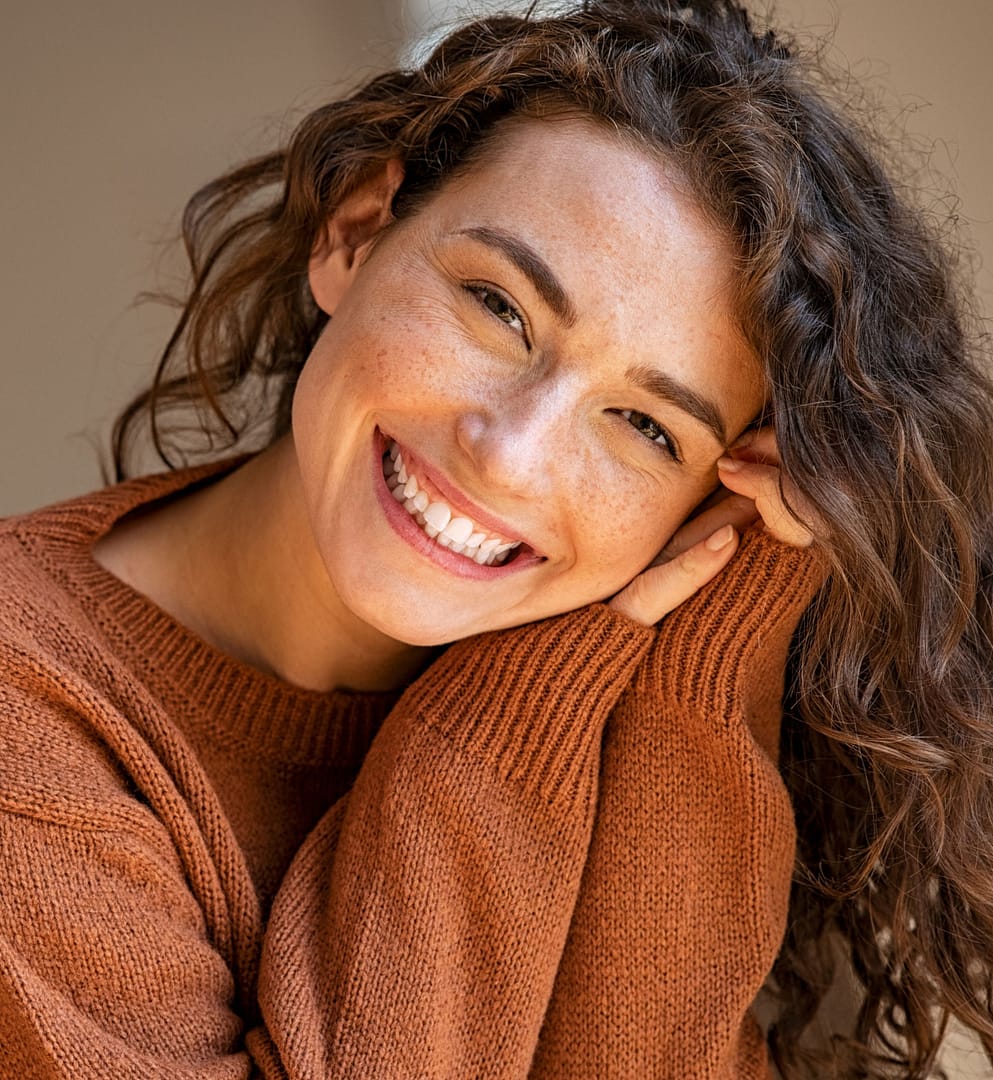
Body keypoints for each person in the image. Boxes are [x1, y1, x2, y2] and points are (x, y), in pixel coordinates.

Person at [1, 0, 990, 1075]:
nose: (509, 455)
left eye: (645, 428)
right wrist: (497, 729)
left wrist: (718, 633)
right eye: (498, 307)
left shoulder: (630, 721)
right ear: (355, 232)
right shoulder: (26, 706)